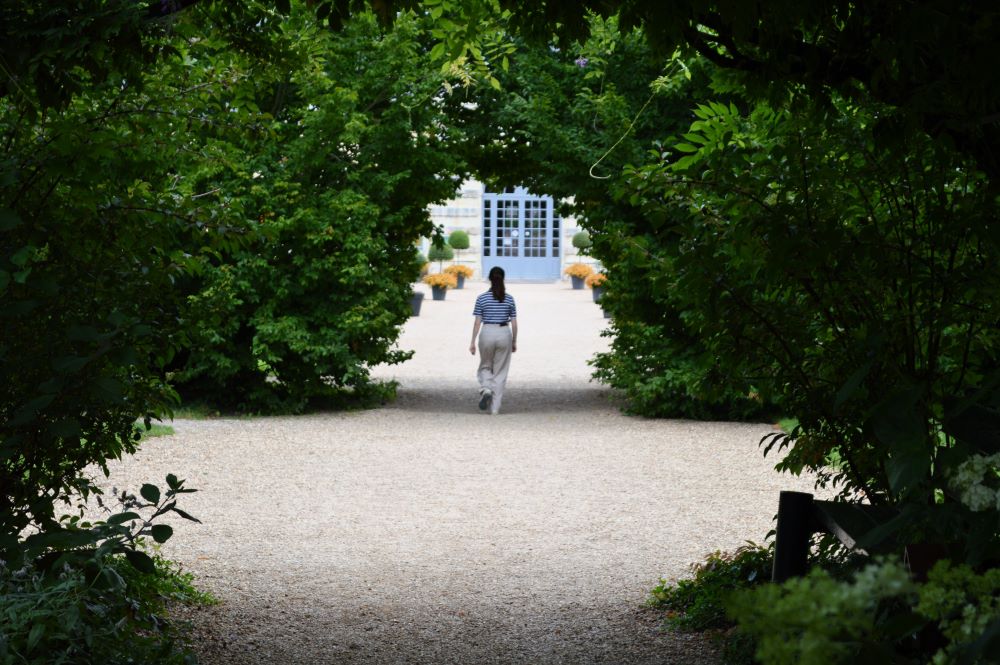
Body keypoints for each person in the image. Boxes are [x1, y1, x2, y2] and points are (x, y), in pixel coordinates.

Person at [469, 266, 517, 414]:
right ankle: (495, 408)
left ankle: (486, 388)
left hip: (487, 332)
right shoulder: (509, 299)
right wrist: (514, 341)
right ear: (503, 278)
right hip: (504, 333)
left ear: (490, 279)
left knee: (485, 365)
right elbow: (514, 323)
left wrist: (472, 342)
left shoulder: (481, 298)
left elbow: (477, 322)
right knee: (500, 371)